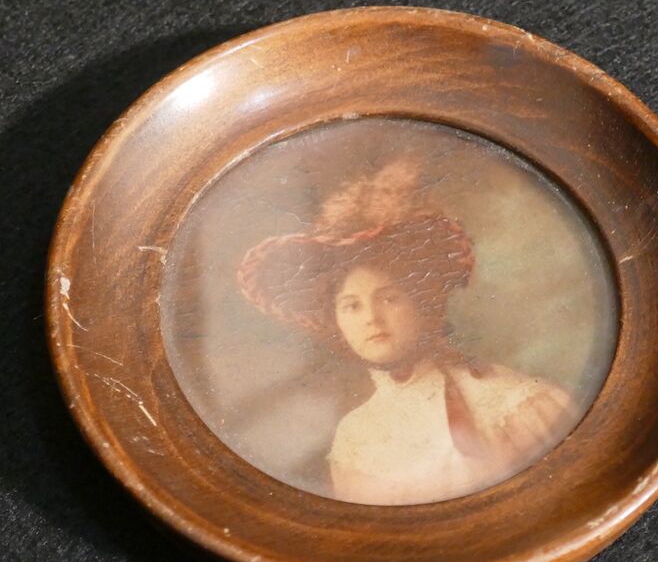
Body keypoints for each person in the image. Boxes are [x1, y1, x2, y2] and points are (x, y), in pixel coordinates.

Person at [238, 161, 580, 505]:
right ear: (336, 322)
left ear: (423, 304)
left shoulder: (512, 402)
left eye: (389, 298)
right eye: (352, 306)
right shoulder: (354, 438)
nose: (372, 318)